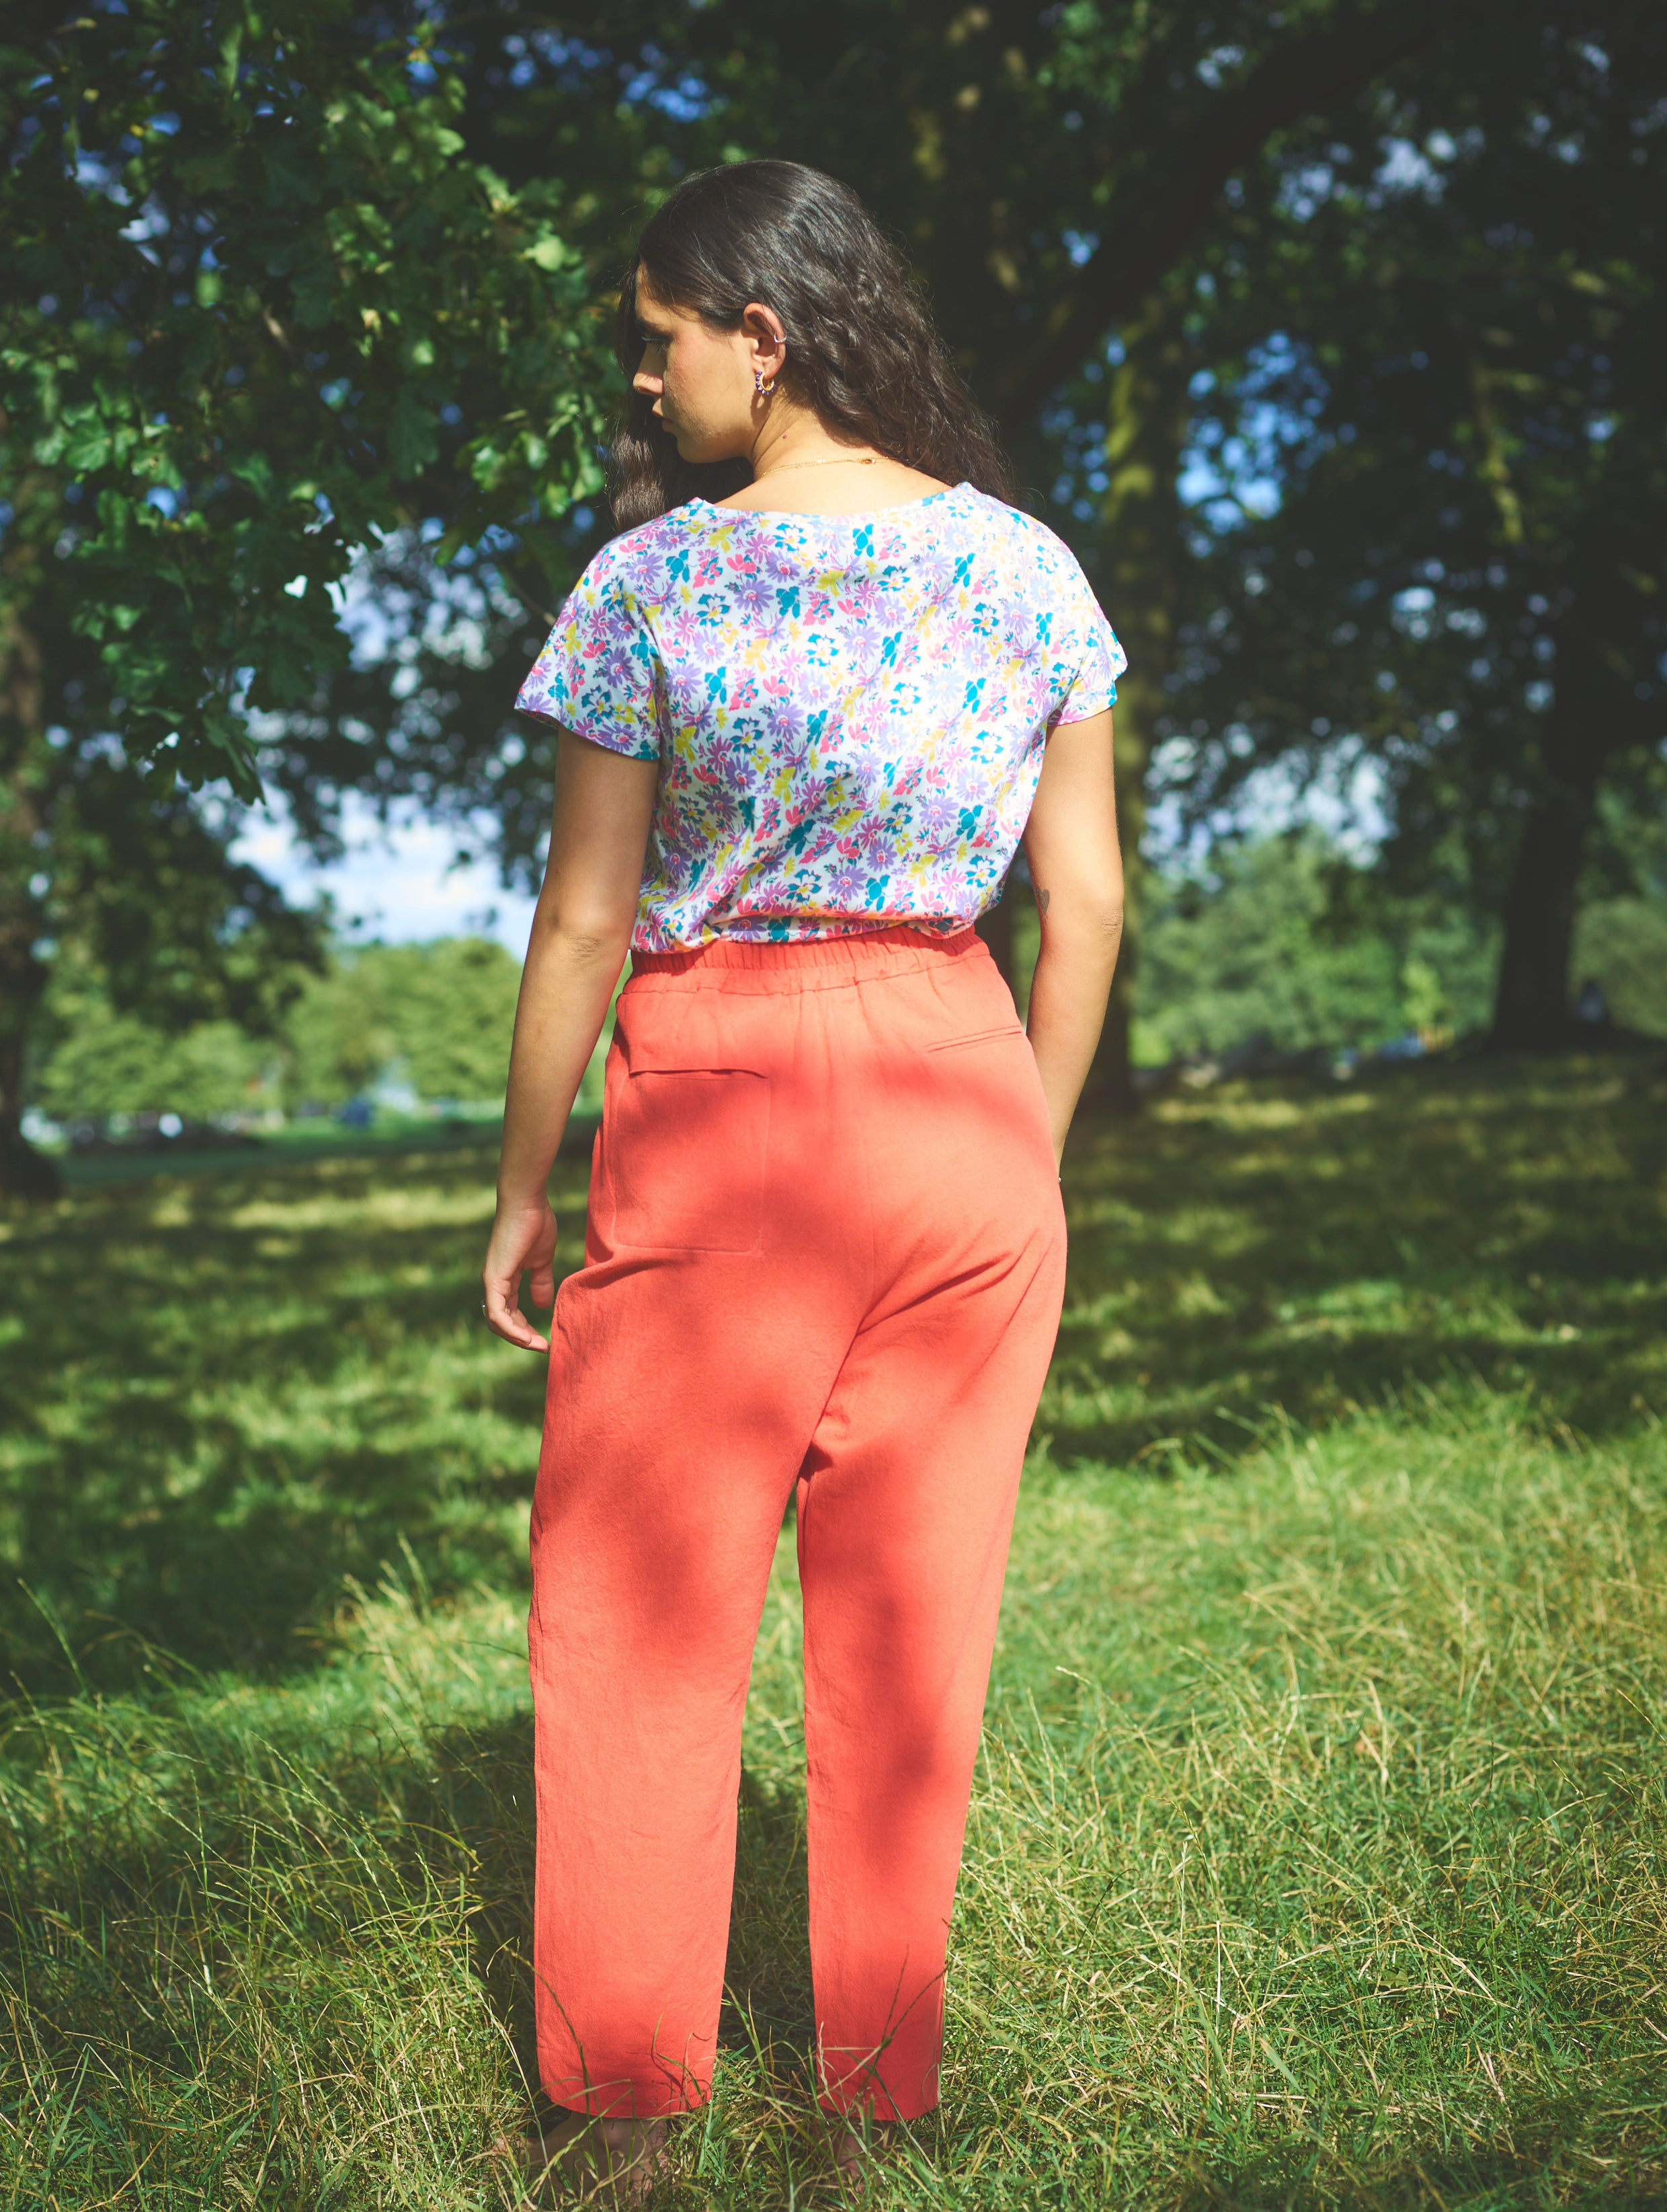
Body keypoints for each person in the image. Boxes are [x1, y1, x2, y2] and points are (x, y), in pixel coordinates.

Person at [481, 159, 1126, 2199]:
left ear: (760, 341)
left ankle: (624, 2106)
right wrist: (1017, 1135)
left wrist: (520, 1184)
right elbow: (1086, 899)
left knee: (642, 1602)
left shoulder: (655, 584)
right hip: (963, 1087)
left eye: (660, 339)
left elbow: (585, 920)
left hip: (732, 1087)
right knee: (915, 1616)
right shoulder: (1032, 568)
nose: (645, 381)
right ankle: (869, 2093)